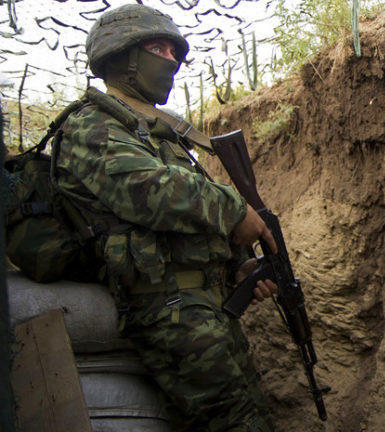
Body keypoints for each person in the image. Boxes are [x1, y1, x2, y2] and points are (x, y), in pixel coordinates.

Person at [55, 4, 277, 431]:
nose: (171, 61)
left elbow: (185, 228)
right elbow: (148, 192)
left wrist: (239, 270)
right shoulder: (91, 126)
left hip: (203, 306)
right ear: (123, 57)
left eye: (176, 52)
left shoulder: (157, 130)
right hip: (167, 309)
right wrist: (234, 211)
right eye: (159, 48)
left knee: (253, 409)